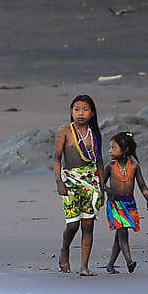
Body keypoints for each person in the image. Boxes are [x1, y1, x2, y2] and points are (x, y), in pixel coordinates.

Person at [51, 93, 104, 275]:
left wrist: (102, 187)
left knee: (88, 225)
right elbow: (56, 159)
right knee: (73, 224)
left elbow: (99, 162)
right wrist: (59, 182)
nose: (80, 113)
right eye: (77, 109)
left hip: (91, 181)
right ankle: (64, 250)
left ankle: (84, 267)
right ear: (71, 111)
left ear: (92, 113)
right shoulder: (65, 132)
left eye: (85, 110)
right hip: (70, 181)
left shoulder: (95, 134)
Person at [100, 131, 148, 272]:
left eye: (114, 147)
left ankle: (110, 264)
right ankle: (129, 261)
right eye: (110, 147)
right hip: (115, 204)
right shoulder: (110, 167)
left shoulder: (135, 167)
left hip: (129, 204)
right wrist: (107, 190)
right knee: (122, 232)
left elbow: (142, 185)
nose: (110, 151)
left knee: (120, 234)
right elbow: (100, 183)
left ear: (125, 150)